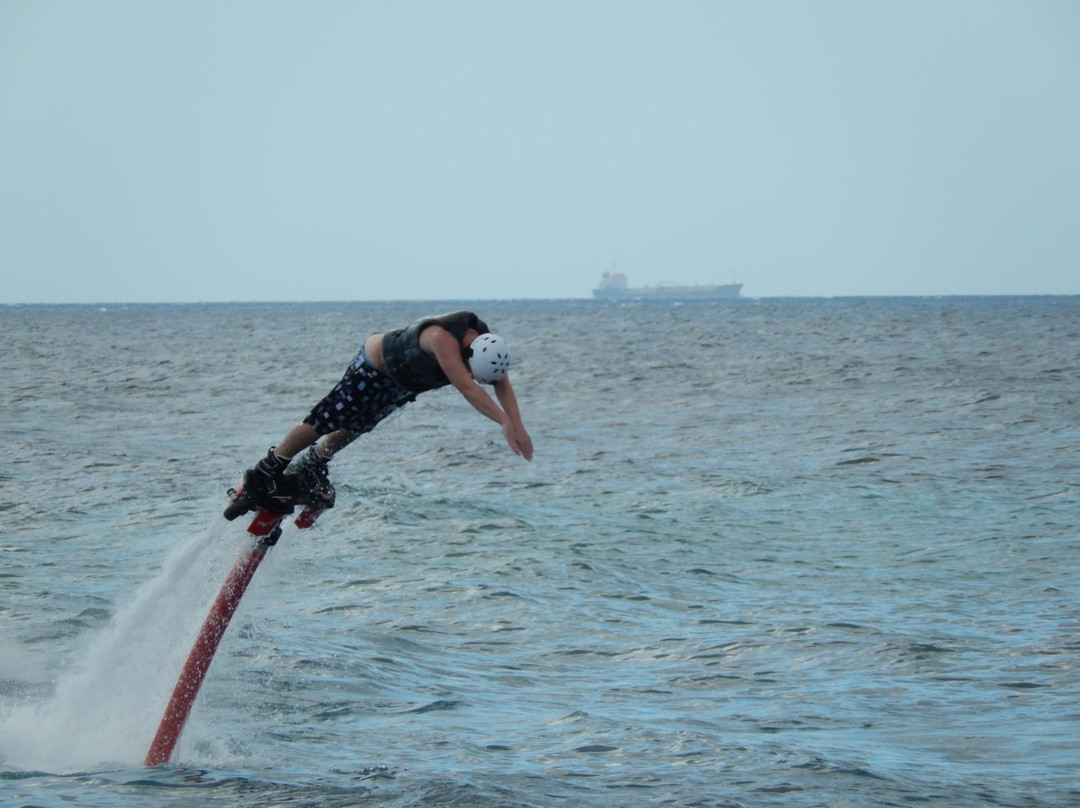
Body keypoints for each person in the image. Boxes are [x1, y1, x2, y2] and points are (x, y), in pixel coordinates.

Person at [235, 310, 532, 515]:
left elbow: (499, 382)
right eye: (470, 369)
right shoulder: (442, 339)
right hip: (374, 367)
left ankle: (313, 464)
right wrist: (504, 422)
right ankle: (268, 469)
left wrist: (518, 425)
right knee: (327, 418)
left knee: (359, 424)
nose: (470, 373)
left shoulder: (485, 344)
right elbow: (469, 389)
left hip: (401, 383)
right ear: (469, 356)